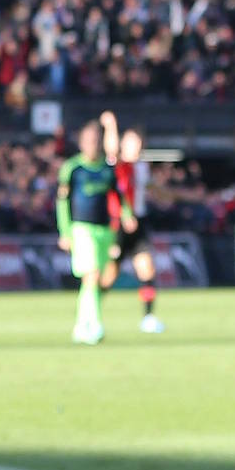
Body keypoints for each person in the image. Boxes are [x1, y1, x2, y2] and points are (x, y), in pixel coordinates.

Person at [100, 110, 163, 334]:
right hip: (118, 226)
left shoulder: (142, 168)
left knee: (147, 269)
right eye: (130, 142)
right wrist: (111, 126)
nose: (134, 147)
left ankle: (148, 318)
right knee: (108, 276)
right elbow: (111, 151)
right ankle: (92, 314)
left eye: (137, 143)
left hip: (140, 223)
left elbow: (153, 191)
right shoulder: (118, 166)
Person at [56, 120, 117, 345]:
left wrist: (125, 219)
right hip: (81, 229)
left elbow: (117, 199)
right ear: (82, 143)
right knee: (91, 275)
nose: (93, 145)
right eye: (89, 141)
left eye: (96, 141)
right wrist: (65, 231)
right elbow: (62, 202)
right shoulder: (72, 168)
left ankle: (81, 325)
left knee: (95, 280)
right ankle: (95, 324)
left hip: (104, 230)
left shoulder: (107, 169)